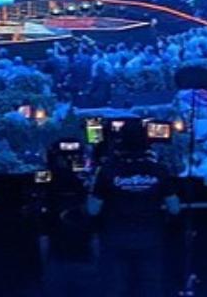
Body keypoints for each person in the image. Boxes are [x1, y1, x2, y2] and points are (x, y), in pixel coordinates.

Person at [88, 121, 180, 297]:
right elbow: (174, 208)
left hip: (115, 239)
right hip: (150, 239)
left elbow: (93, 210)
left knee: (115, 288)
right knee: (150, 288)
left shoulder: (108, 170)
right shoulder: (159, 170)